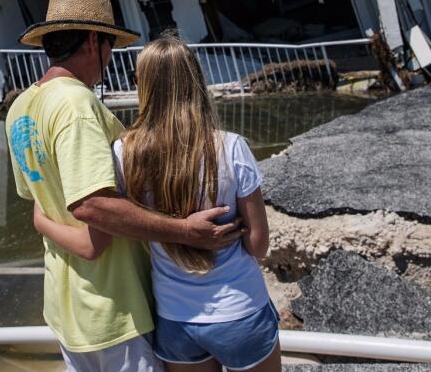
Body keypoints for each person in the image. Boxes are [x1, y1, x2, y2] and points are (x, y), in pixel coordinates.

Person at [6, 0, 243, 372]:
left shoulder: (21, 107)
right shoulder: (76, 104)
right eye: (111, 44)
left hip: (68, 309)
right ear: (94, 41)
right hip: (114, 305)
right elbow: (92, 205)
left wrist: (45, 223)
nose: (111, 57)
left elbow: (38, 200)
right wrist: (183, 231)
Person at [35, 35, 280, 372]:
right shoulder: (232, 148)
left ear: (143, 85)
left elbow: (114, 216)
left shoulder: (123, 153)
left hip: (175, 319)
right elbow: (258, 245)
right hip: (239, 310)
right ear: (196, 78)